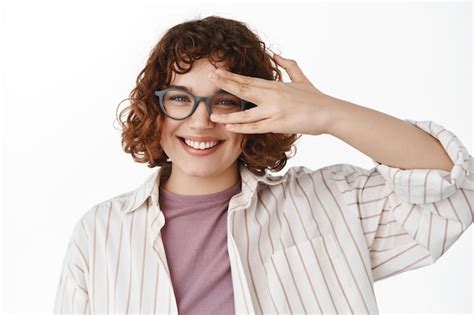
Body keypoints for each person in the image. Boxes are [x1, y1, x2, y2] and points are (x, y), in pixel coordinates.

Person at [53, 16, 473, 314]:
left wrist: (328, 114)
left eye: (224, 100)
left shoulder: (330, 203)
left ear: (257, 112)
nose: (201, 121)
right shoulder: (101, 232)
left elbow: (451, 186)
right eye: (180, 98)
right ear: (155, 109)